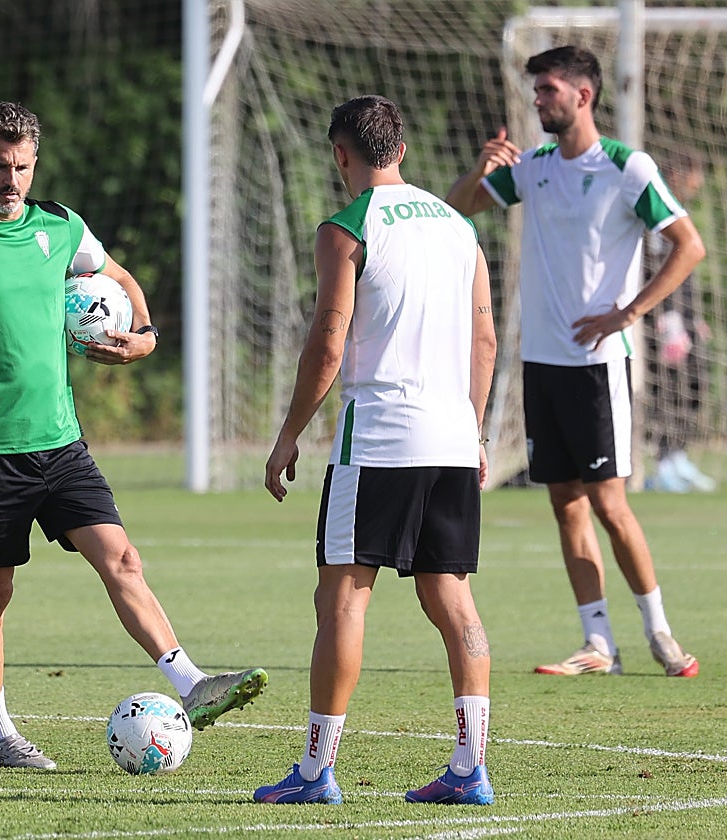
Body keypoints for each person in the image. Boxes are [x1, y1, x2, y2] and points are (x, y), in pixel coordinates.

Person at [0, 101, 267, 770]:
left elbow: (120, 279)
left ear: (33, 164)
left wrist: (145, 337)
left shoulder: (60, 229)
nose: (10, 180)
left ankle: (193, 684)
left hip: (60, 442)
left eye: (21, 167)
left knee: (123, 559)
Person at [253, 95, 497, 806]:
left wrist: (289, 433)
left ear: (340, 154)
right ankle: (469, 768)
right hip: (452, 436)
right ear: (404, 149)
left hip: (380, 439)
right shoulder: (458, 226)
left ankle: (314, 772)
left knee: (343, 600)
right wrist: (474, 431)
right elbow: (484, 340)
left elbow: (329, 340)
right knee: (454, 601)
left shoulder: (346, 226)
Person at [446, 46, 705, 677]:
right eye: (536, 91)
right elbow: (458, 210)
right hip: (542, 363)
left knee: (610, 503)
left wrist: (630, 312)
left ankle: (661, 633)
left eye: (549, 90)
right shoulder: (532, 167)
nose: (538, 101)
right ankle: (598, 644)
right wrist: (480, 168)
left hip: (597, 367)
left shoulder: (626, 167)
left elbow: (688, 245)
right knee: (564, 502)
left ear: (582, 96)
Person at [647, 149, 716, 494]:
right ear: (677, 174)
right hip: (665, 323)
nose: (697, 184)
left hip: (686, 323)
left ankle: (679, 456)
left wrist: (694, 319)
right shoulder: (657, 217)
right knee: (667, 391)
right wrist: (668, 318)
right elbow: (658, 270)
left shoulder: (679, 213)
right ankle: (662, 463)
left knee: (695, 385)